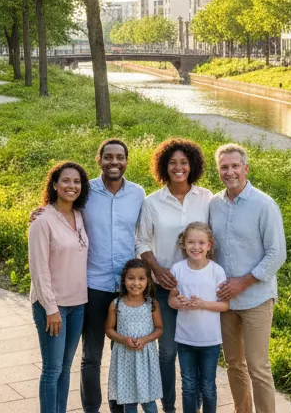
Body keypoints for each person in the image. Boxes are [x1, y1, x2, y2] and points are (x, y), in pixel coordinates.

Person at [136, 138, 213, 413]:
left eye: (183, 162)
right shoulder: (152, 202)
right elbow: (142, 242)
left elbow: (213, 239)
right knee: (167, 352)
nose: (178, 167)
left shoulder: (206, 198)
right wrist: (157, 269)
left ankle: (196, 405)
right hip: (165, 289)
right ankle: (168, 407)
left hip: (199, 290)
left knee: (196, 351)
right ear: (163, 166)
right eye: (172, 163)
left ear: (192, 165)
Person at [210, 144, 287, 413]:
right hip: (225, 301)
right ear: (218, 170)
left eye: (234, 166)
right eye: (224, 167)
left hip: (256, 298)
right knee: (234, 364)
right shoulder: (214, 205)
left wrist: (242, 282)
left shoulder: (264, 204)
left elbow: (277, 254)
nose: (229, 172)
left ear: (246, 169)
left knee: (258, 366)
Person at [82, 140, 147, 413]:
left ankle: (118, 407)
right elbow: (60, 210)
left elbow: (144, 236)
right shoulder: (86, 192)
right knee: (92, 356)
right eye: (108, 157)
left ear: (127, 161)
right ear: (99, 160)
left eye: (120, 157)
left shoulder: (138, 193)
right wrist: (38, 212)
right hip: (94, 284)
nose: (114, 162)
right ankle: (91, 409)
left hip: (126, 289)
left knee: (121, 353)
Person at [29, 161, 91, 413]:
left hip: (78, 304)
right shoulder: (42, 220)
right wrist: (51, 308)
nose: (71, 186)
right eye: (66, 180)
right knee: (52, 368)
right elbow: (39, 269)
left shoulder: (79, 215)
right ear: (54, 184)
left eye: (77, 182)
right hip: (52, 306)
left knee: (66, 367)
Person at [169, 222, 229, 413]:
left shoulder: (216, 271)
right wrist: (178, 302)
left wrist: (203, 304)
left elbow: (224, 305)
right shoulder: (177, 269)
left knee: (208, 387)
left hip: (210, 341)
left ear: (209, 245)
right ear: (183, 245)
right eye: (191, 242)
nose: (196, 247)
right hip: (185, 339)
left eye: (201, 243)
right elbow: (171, 299)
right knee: (188, 386)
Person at [106, 259, 164, 413]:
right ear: (124, 280)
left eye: (141, 278)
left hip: (145, 359)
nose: (136, 283)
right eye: (131, 278)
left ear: (148, 281)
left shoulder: (152, 304)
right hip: (125, 359)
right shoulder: (116, 304)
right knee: (129, 401)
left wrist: (145, 340)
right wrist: (124, 340)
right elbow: (109, 330)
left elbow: (159, 329)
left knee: (148, 401)